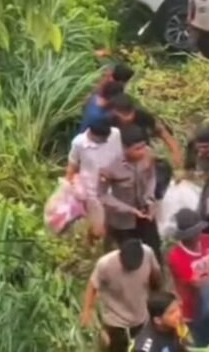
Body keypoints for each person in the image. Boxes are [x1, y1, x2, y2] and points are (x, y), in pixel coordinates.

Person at [80, 239, 162, 352]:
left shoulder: (148, 254)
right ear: (120, 254)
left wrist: (156, 297)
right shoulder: (105, 264)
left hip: (141, 318)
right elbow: (92, 285)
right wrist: (87, 310)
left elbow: (156, 276)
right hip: (116, 322)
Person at [99, 124, 163, 264]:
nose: (142, 152)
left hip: (145, 212)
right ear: (125, 148)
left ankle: (156, 276)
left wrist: (150, 197)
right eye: (137, 149)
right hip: (123, 219)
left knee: (154, 247)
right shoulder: (109, 165)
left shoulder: (148, 154)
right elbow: (103, 195)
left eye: (143, 146)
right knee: (130, 255)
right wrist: (129, 210)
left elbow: (151, 176)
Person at [65, 119, 123, 243]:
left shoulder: (116, 134)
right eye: (101, 140)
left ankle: (108, 244)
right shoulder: (79, 143)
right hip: (93, 192)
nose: (105, 141)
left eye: (106, 138)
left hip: (115, 187)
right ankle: (93, 243)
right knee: (98, 229)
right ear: (91, 133)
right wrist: (69, 191)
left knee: (114, 225)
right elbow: (72, 167)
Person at [167, 209, 209, 331]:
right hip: (192, 310)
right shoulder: (176, 257)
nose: (197, 235)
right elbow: (197, 283)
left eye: (198, 231)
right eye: (193, 233)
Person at [110, 94, 183, 172]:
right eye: (123, 114)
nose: (128, 118)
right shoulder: (104, 121)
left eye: (129, 113)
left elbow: (162, 132)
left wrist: (176, 151)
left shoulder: (141, 115)